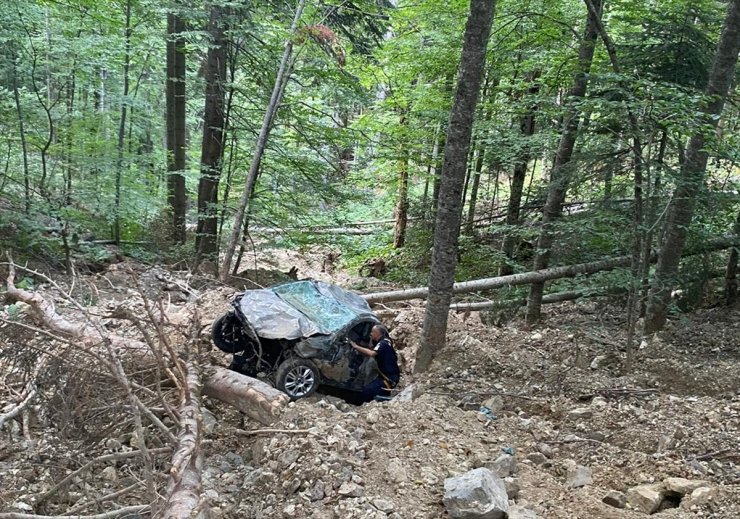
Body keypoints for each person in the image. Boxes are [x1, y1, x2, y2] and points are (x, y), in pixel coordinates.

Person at [350, 324, 400, 402]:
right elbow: (371, 348)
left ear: (377, 333)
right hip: (386, 376)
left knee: (366, 392)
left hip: (388, 379)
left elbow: (372, 353)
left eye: (372, 332)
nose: (371, 334)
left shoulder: (383, 343)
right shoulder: (386, 341)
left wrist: (356, 346)